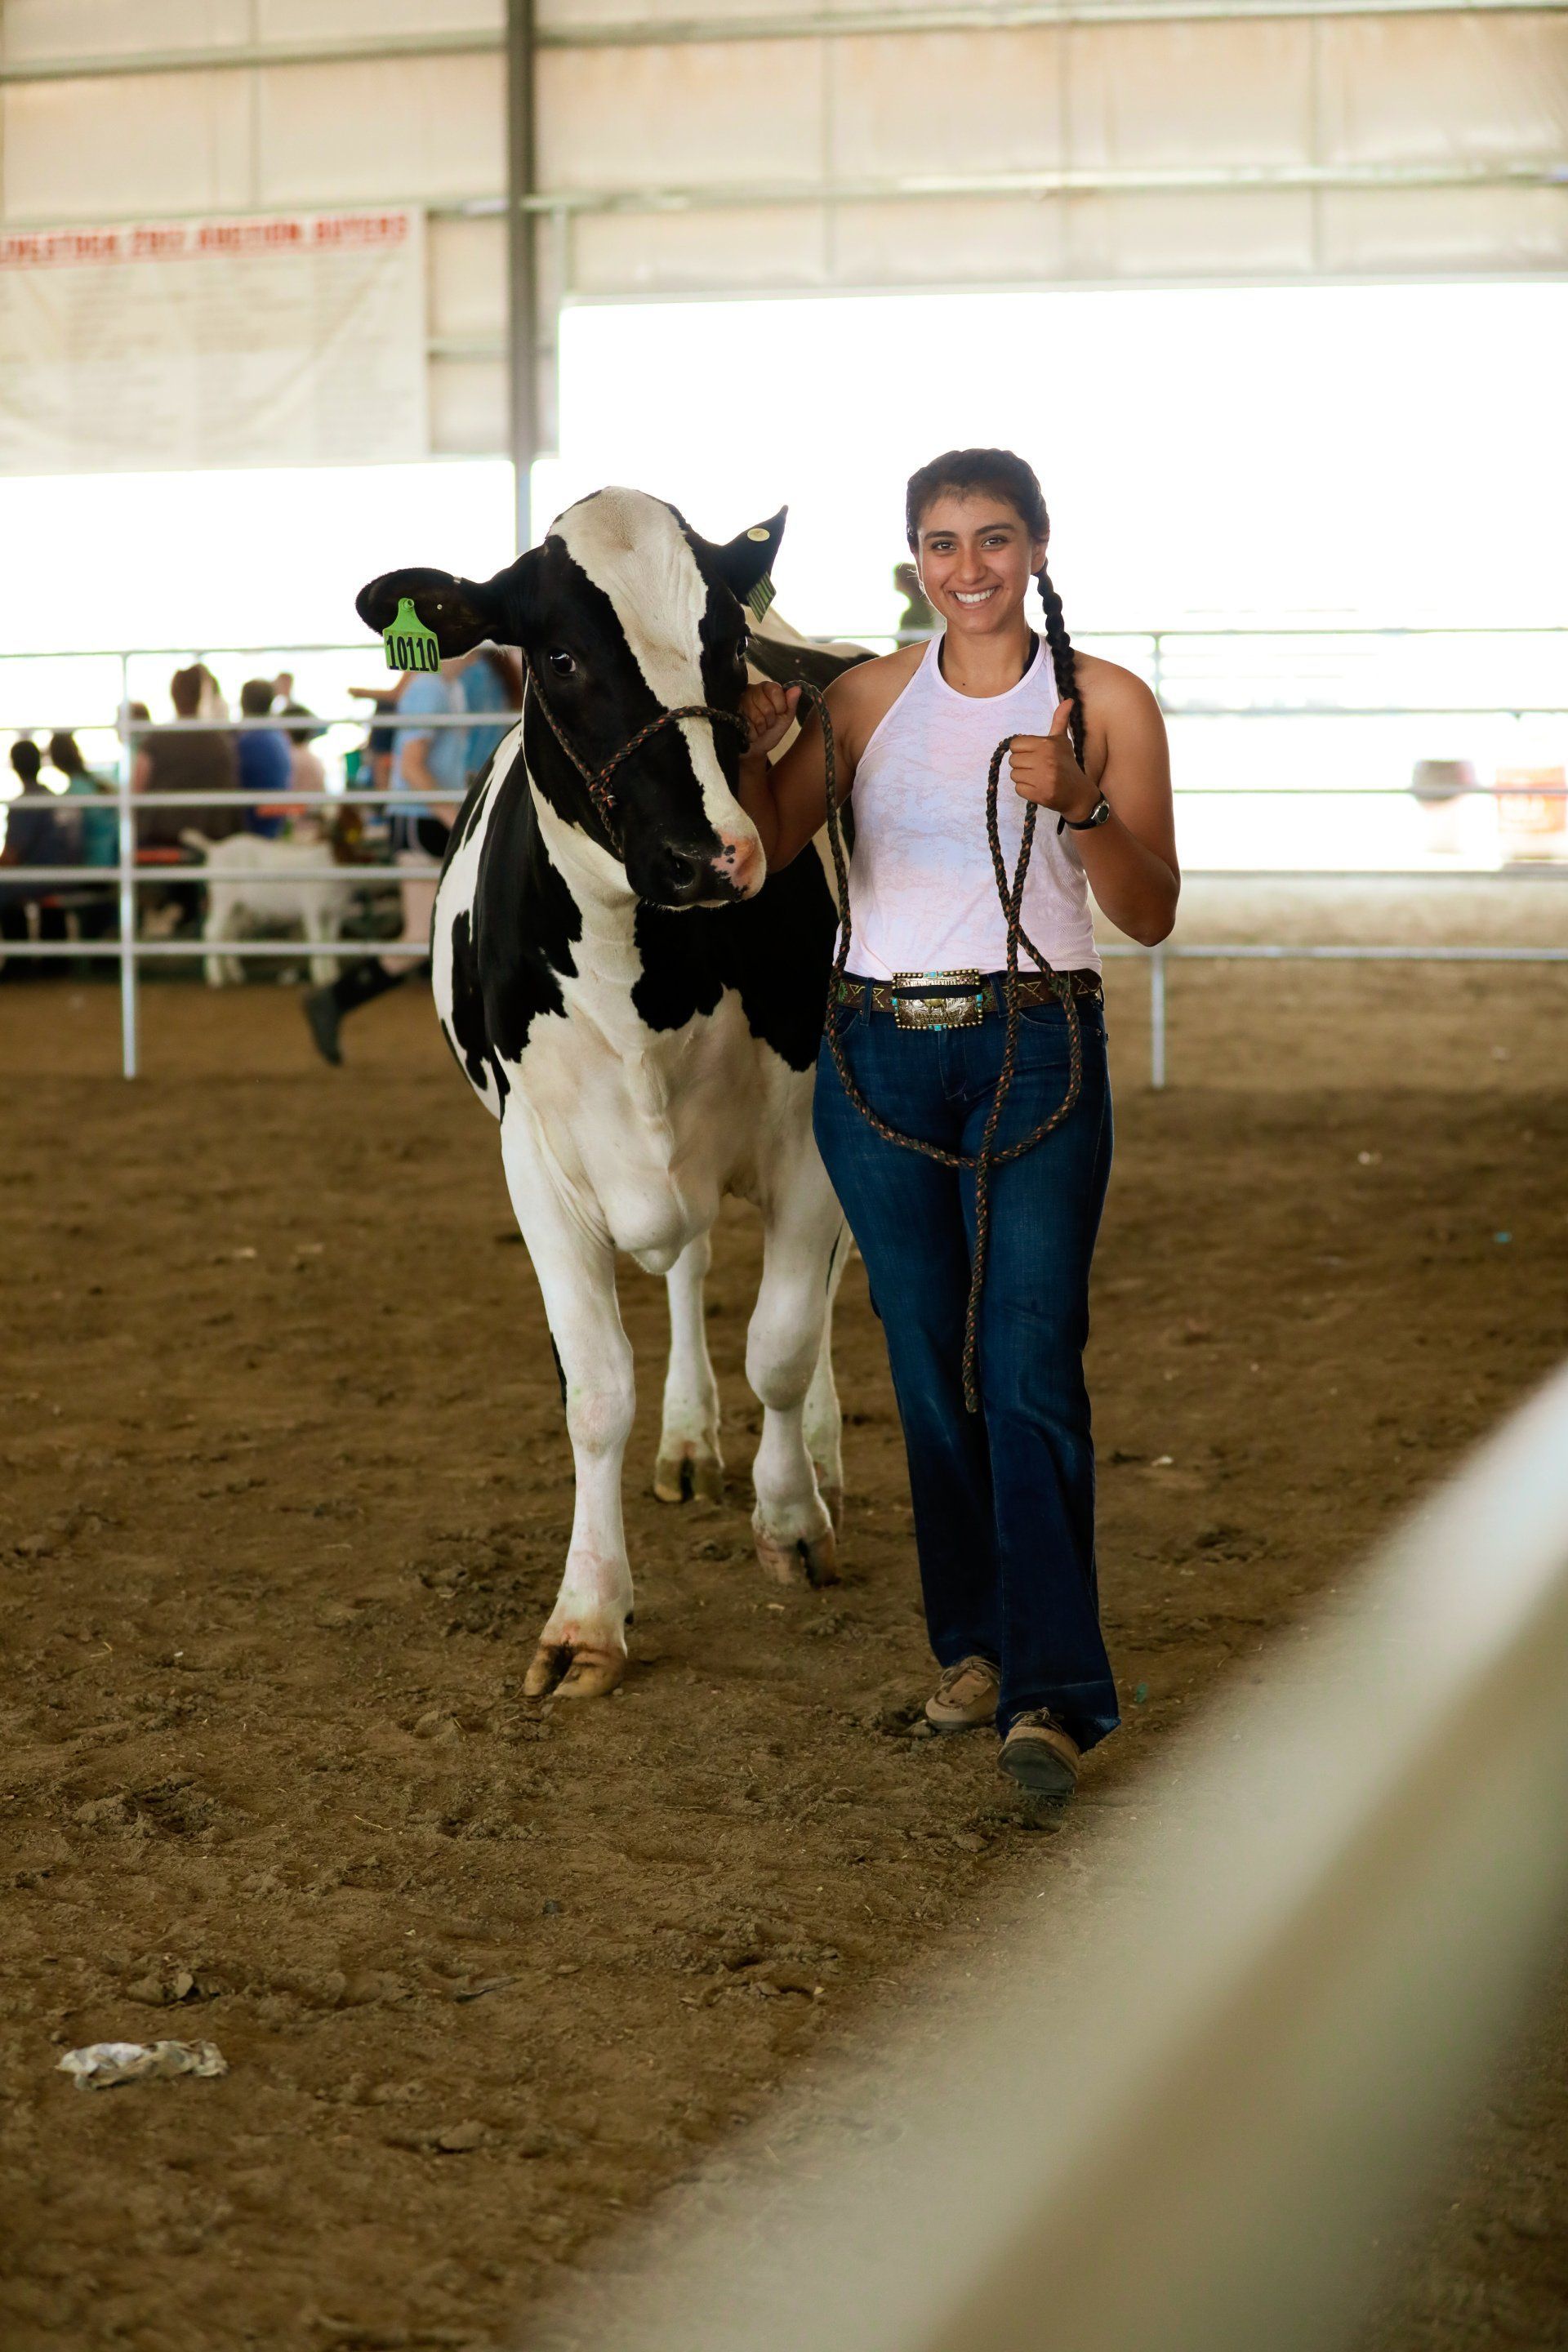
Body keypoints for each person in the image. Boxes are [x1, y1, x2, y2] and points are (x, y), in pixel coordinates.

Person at [737, 448, 1178, 1803]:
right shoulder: (864, 697)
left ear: (1039, 546)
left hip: (1038, 1038)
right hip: (878, 1050)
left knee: (1032, 1359)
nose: (969, 567)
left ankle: (1052, 1691)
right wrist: (750, 748)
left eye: (994, 538)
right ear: (916, 559)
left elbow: (1150, 908)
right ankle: (974, 1650)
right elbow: (758, 851)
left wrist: (1084, 804)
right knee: (929, 1363)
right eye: (942, 543)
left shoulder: (1102, 700)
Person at [302, 651, 476, 1064]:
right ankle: (334, 999)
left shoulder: (444, 687)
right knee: (421, 937)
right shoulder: (432, 688)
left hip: (427, 816)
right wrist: (455, 816)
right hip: (423, 819)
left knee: (442, 930)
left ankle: (334, 1000)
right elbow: (411, 766)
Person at [134, 666, 240, 849]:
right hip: (210, 841)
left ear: (173, 695)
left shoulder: (155, 740)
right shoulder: (219, 743)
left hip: (160, 839)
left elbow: (137, 788)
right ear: (202, 695)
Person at [48, 731, 118, 870]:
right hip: (115, 859)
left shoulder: (72, 795)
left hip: (92, 866)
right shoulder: (101, 783)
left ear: (56, 761)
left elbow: (70, 843)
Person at [235, 678, 292, 838]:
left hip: (254, 830)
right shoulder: (279, 738)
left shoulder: (247, 742)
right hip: (275, 827)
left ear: (243, 703)